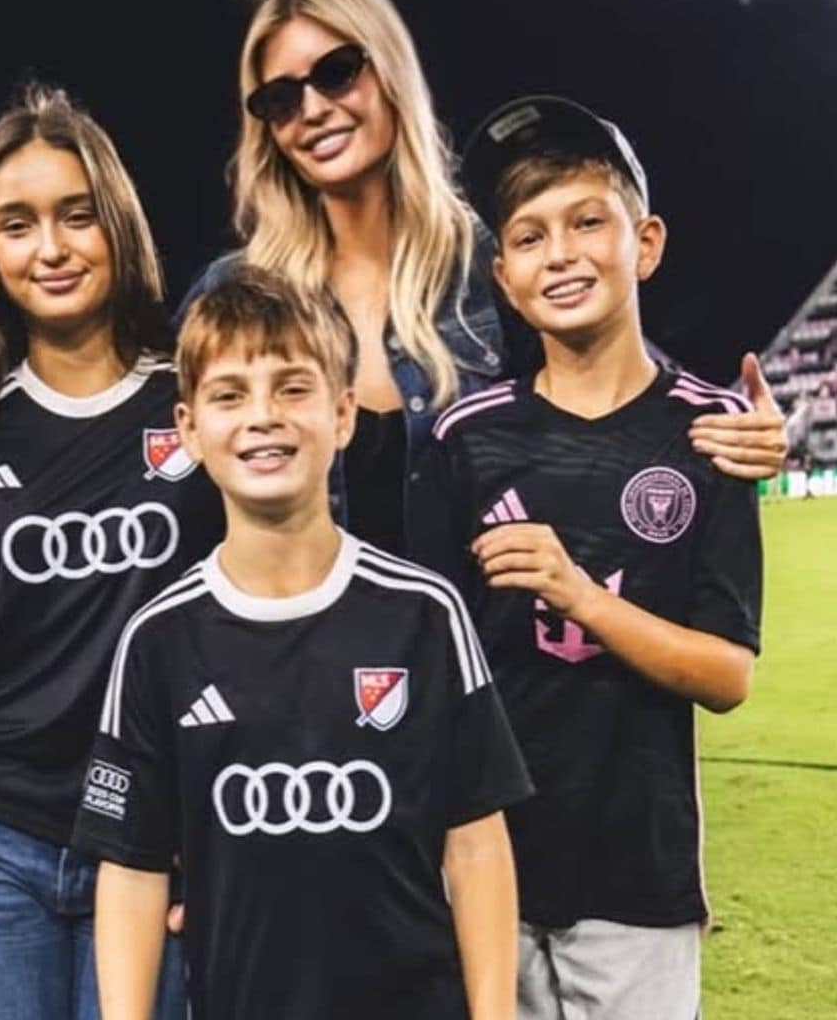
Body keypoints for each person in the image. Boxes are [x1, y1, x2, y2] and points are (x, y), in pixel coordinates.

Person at [181, 0, 788, 557]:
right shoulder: (236, 293)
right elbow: (164, 475)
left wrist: (735, 428)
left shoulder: (490, 263)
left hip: (489, 649)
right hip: (301, 655)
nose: (312, 109)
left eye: (337, 73)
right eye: (280, 98)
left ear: (391, 74)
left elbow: (616, 392)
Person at [73, 266, 534, 1020]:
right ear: (188, 428)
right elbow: (131, 870)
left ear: (343, 413)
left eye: (293, 388)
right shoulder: (158, 638)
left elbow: (477, 842)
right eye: (229, 395)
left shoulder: (424, 613)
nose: (263, 417)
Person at [0, 83, 220, 1019]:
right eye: (16, 225)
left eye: (76, 216)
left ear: (120, 226)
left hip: (156, 843)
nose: (50, 248)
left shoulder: (199, 405)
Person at [419, 95, 763, 1019]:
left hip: (638, 882)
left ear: (644, 243)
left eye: (586, 222)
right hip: (487, 865)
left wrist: (579, 593)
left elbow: (728, 673)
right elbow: (429, 664)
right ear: (502, 272)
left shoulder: (711, 433)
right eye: (528, 236)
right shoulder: (464, 437)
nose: (560, 253)